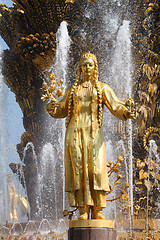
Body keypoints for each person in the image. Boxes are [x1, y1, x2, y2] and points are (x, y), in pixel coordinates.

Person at [46, 52, 134, 220]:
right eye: (84, 64)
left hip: (94, 132)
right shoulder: (72, 90)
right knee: (78, 169)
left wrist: (126, 112)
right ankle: (83, 209)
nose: (87, 67)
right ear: (80, 67)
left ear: (95, 68)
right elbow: (62, 110)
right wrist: (52, 107)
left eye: (90, 64)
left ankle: (98, 209)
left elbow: (116, 106)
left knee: (96, 169)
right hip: (74, 132)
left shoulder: (102, 88)